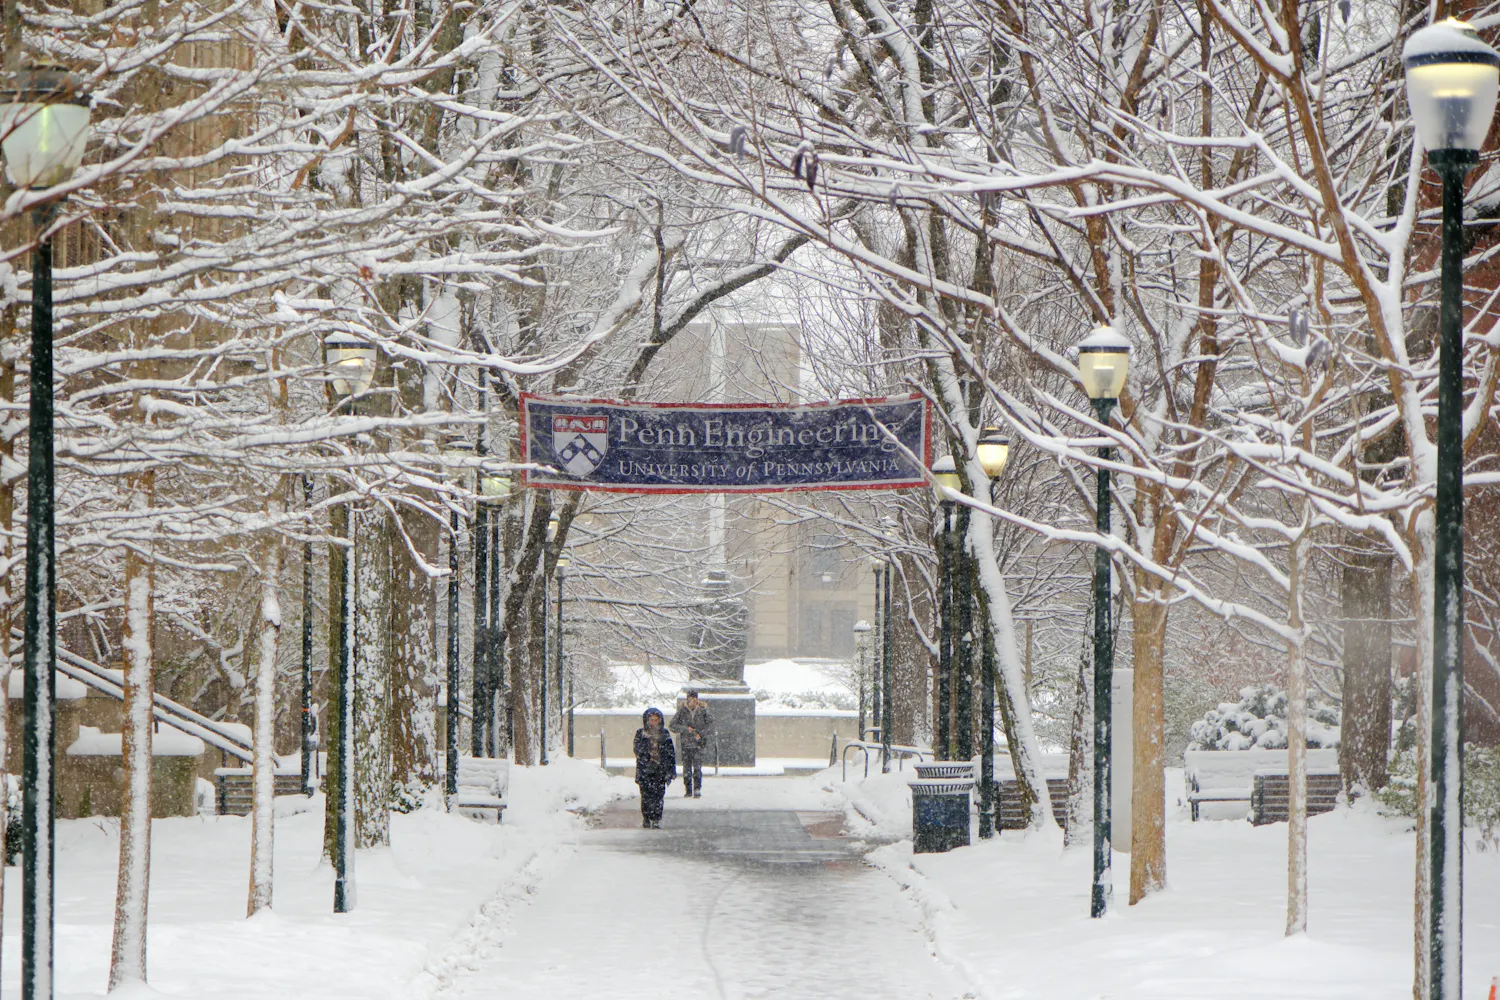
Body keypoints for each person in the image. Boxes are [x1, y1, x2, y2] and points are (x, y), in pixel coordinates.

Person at [633, 707, 676, 828]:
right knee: (646, 795)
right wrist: (647, 752)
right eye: (651, 720)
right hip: (645, 770)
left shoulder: (664, 734)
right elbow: (637, 749)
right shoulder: (641, 733)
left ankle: (656, 818)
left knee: (658, 796)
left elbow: (670, 753)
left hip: (660, 770)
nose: (653, 723)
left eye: (656, 720)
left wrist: (671, 770)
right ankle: (646, 817)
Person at [670, 688, 714, 798]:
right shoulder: (682, 711)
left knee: (697, 768)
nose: (692, 702)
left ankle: (697, 789)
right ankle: (688, 789)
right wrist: (685, 729)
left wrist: (701, 734)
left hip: (699, 744)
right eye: (690, 699)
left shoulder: (703, 711)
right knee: (687, 768)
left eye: (694, 699)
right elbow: (672, 725)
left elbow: (711, 726)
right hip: (686, 744)